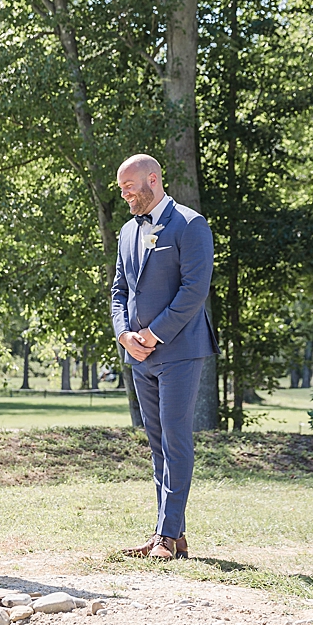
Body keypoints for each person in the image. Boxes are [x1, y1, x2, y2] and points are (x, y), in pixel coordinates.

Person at [110, 154, 218, 560]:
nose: (124, 194)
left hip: (180, 349)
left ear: (152, 179)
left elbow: (194, 290)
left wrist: (154, 334)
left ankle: (167, 536)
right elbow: (120, 289)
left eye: (129, 186)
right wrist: (125, 335)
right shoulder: (126, 231)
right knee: (157, 444)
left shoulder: (191, 225)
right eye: (122, 188)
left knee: (175, 439)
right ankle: (169, 533)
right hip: (139, 354)